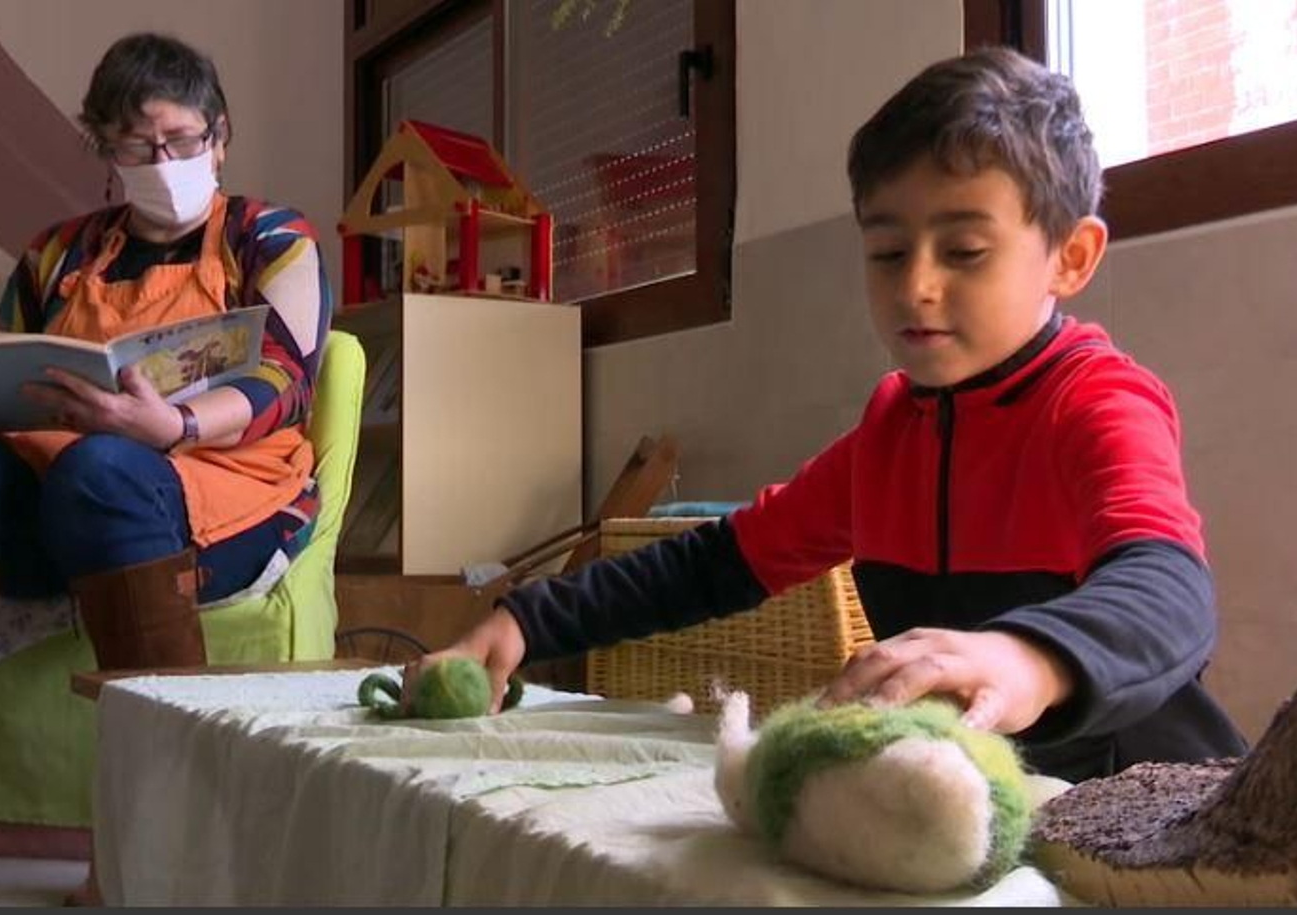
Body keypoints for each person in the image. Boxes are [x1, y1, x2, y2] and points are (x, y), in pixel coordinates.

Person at [410, 47, 1248, 784]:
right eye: (887, 251)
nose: (915, 284)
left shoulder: (1096, 400)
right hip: (976, 805)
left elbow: (1168, 591)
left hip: (1145, 809)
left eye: (963, 251)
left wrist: (1024, 657)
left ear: (1071, 257)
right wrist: (526, 619)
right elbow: (713, 564)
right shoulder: (891, 430)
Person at [0, 32, 331, 905]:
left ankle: (159, 834)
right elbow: (1, 356)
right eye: (135, 147)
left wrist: (169, 423)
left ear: (220, 135)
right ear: (104, 149)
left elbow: (286, 380)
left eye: (181, 141)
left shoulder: (269, 235)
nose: (162, 162)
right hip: (68, 495)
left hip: (225, 498)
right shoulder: (57, 254)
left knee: (104, 469)